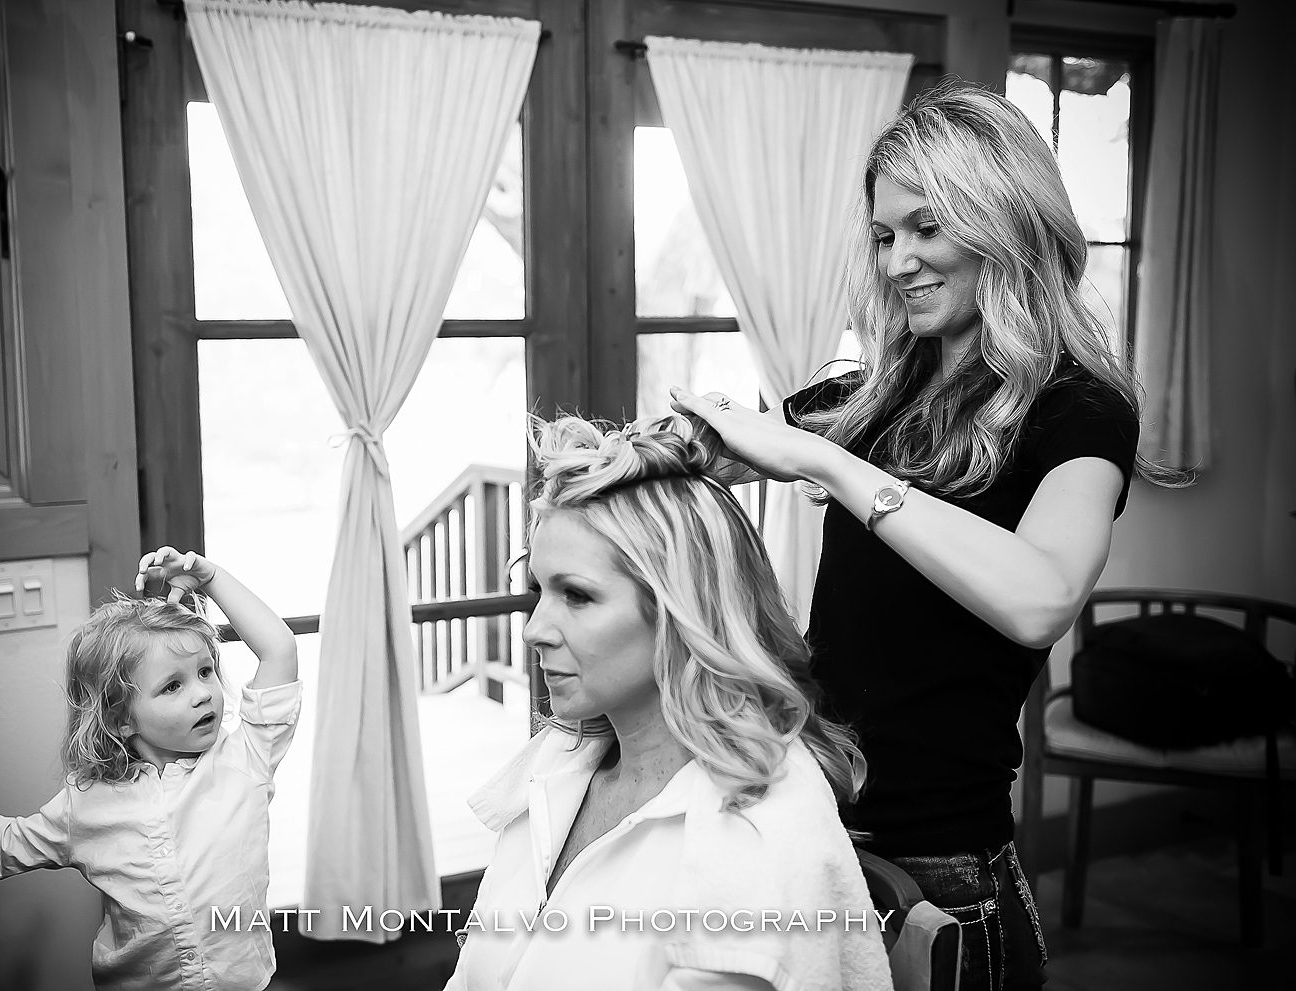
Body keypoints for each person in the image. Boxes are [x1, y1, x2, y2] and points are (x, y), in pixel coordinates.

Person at [673, 83, 1179, 990]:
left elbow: (1041, 598)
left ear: (1003, 224)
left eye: (927, 227)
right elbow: (722, 447)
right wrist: (665, 446)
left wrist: (831, 464)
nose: (898, 260)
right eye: (883, 234)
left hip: (946, 884)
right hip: (823, 837)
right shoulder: (872, 397)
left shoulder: (1080, 412)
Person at [445, 414, 893, 991]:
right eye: (539, 591)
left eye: (576, 595)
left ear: (682, 610)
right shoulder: (554, 768)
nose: (534, 630)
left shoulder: (755, 832)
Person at [0, 548, 300, 991]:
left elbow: (279, 649)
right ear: (120, 718)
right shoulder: (87, 803)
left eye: (206, 671)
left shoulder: (244, 760)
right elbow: (2, 845)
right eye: (173, 685)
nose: (203, 693)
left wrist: (210, 579)